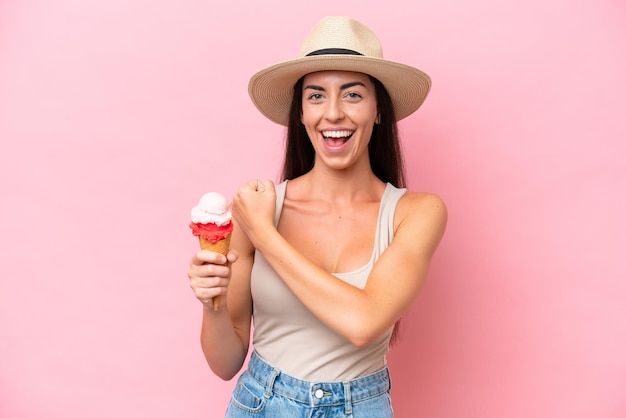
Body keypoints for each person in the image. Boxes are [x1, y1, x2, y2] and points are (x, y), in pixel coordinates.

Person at [187, 16, 447, 417]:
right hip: (260, 403)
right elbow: (224, 364)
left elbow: (364, 324)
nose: (333, 114)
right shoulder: (257, 210)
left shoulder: (416, 213)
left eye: (353, 95)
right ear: (302, 114)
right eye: (315, 96)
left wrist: (265, 235)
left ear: (378, 110)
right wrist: (211, 301)